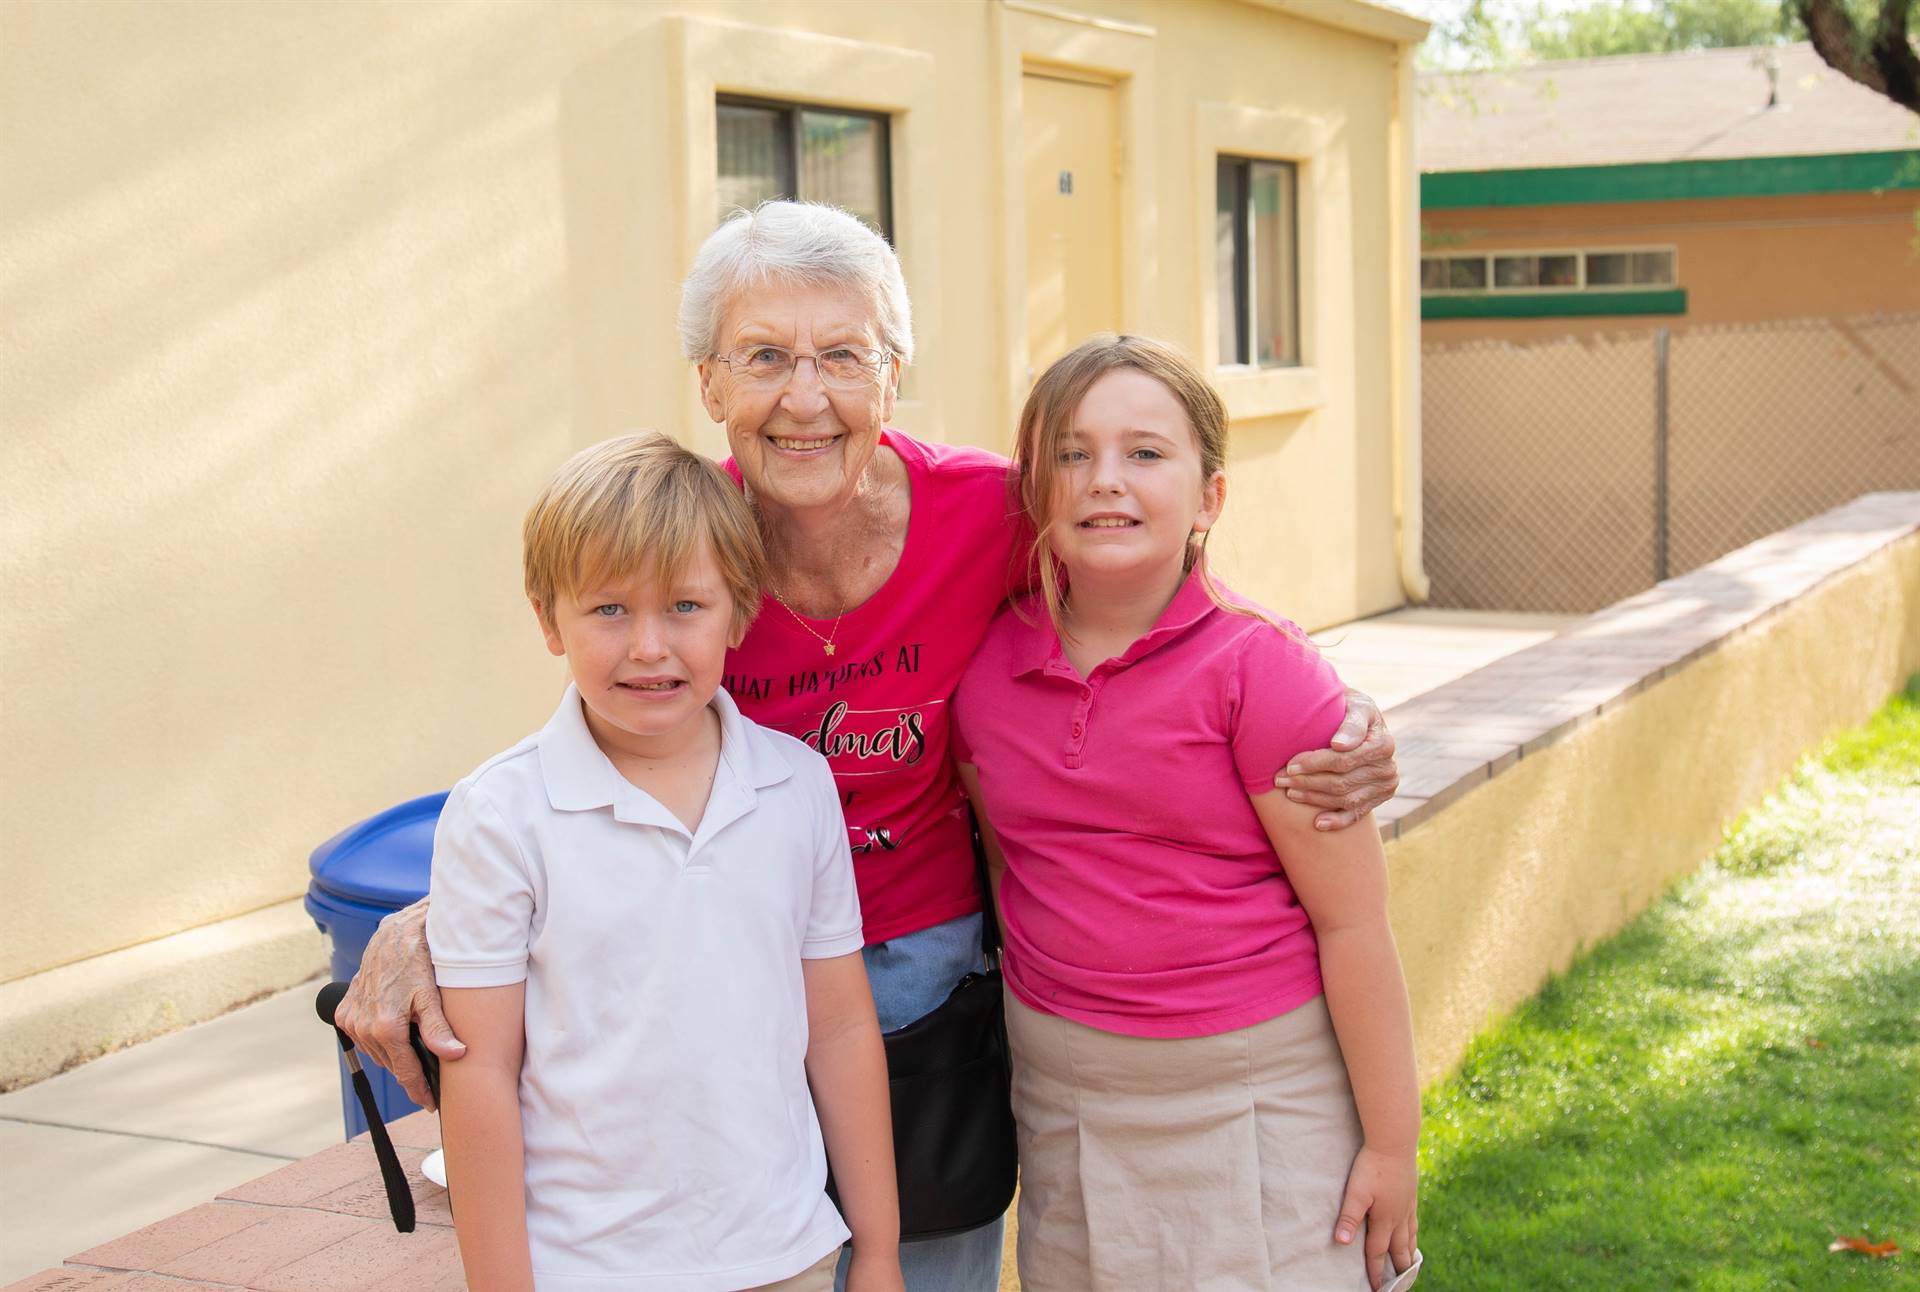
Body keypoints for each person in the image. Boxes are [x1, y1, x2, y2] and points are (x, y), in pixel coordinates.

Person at [336, 200, 1405, 1292]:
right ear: (708, 384)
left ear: (894, 374)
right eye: (763, 357)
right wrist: (435, 918)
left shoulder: (991, 512)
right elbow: (591, 746)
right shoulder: (677, 546)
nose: (806, 396)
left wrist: (1341, 710)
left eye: (842, 355)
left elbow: (1163, 588)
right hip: (715, 966)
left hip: (921, 977)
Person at [951, 335, 1422, 1292]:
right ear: (1035, 490)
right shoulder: (986, 669)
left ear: (1209, 496)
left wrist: (1393, 1145)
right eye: (1071, 455)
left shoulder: (1260, 670)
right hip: (1066, 1098)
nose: (1103, 481)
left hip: (1252, 1099)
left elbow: (1353, 921)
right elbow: (1014, 866)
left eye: (1145, 453)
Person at [429, 433, 902, 1292]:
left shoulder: (796, 787)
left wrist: (876, 1249)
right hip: (590, 1268)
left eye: (685, 606)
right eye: (609, 610)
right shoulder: (500, 814)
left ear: (739, 612)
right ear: (548, 620)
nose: (649, 646)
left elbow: (837, 1029)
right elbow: (483, 1073)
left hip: (784, 1250)